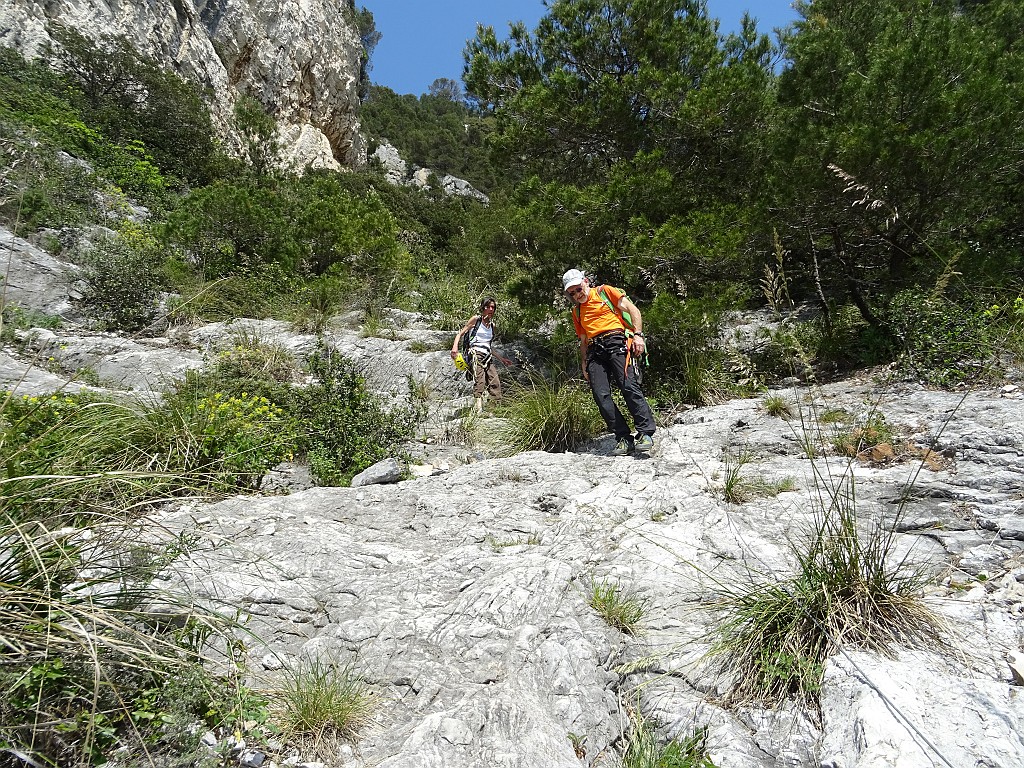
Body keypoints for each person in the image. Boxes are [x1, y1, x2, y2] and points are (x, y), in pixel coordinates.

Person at [563, 268, 656, 456]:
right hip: (594, 350)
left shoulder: (605, 292)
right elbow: (583, 339)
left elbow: (633, 310)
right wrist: (584, 362)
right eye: (571, 293)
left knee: (628, 386)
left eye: (578, 289)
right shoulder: (577, 311)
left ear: (586, 282)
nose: (576, 295)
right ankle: (623, 437)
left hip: (616, 341)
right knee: (601, 395)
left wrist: (638, 336)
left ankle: (645, 433)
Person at [451, 297, 511, 413]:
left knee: (495, 381)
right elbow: (460, 334)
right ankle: (478, 409)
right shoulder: (476, 320)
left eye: (493, 307)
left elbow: (488, 345)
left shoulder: (492, 326)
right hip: (475, 354)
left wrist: (501, 359)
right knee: (480, 381)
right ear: (483, 308)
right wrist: (455, 348)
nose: (491, 309)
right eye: (488, 306)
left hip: (487, 356)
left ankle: (494, 409)